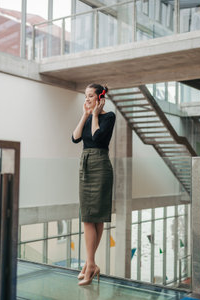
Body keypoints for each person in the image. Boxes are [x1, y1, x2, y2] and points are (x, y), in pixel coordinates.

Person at [72, 83, 116, 286]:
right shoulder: (88, 116)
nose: (87, 99)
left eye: (90, 96)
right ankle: (91, 264)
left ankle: (89, 265)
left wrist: (96, 115)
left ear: (100, 98)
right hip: (86, 165)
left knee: (93, 218)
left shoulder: (109, 117)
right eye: (85, 96)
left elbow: (98, 137)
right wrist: (85, 114)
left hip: (100, 165)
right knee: (89, 217)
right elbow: (75, 137)